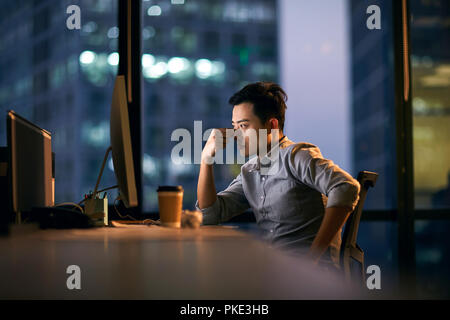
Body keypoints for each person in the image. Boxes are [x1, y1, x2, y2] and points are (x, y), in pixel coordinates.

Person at [196, 81, 360, 270]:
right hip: (274, 272)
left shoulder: (296, 155)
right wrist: (206, 159)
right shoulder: (250, 171)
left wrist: (312, 258)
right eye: (235, 126)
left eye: (243, 126)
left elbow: (346, 186)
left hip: (314, 276)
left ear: (272, 125)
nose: (236, 136)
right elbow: (210, 215)